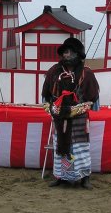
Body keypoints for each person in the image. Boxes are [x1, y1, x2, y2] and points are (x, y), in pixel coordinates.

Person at [42, 37, 100, 189]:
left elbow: (93, 96)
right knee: (60, 148)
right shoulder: (54, 71)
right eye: (64, 53)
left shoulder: (86, 73)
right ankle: (62, 177)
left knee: (80, 148)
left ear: (76, 54)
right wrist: (49, 105)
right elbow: (46, 93)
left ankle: (85, 178)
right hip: (59, 116)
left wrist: (86, 106)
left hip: (79, 117)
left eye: (68, 52)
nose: (66, 55)